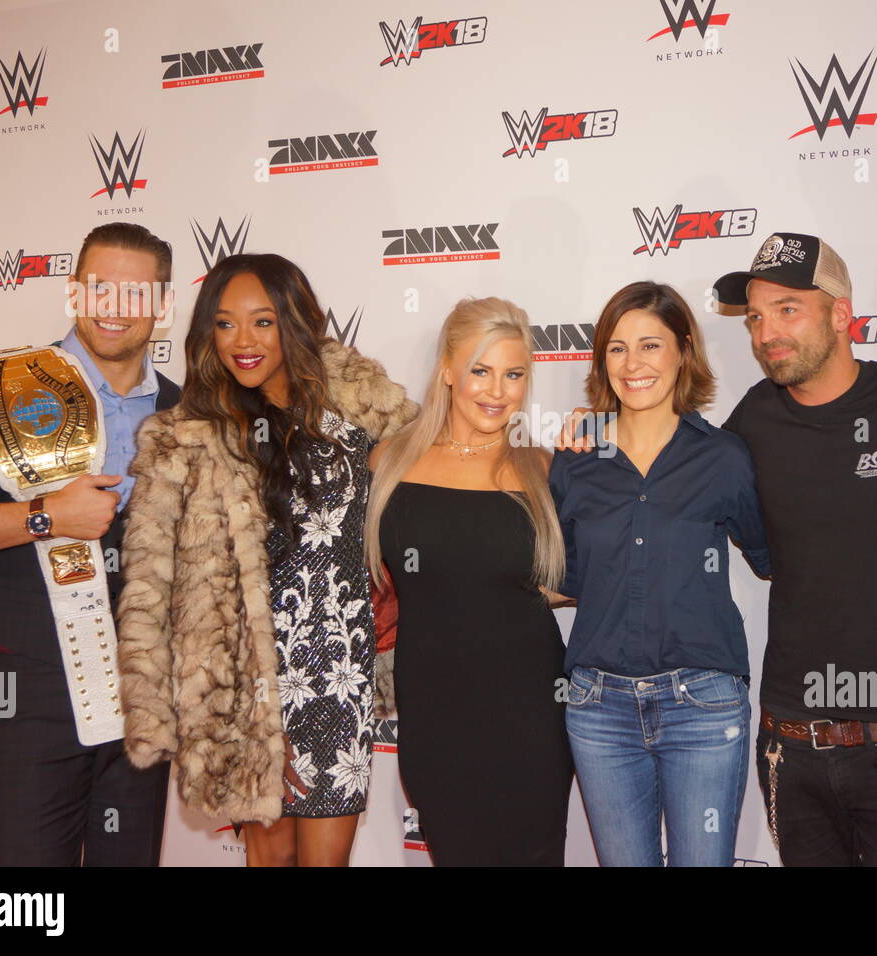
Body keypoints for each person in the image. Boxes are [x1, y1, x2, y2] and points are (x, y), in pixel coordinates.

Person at [117, 253, 415, 866]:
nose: (242, 342)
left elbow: (437, 478)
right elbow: (152, 579)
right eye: (225, 324)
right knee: (269, 861)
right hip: (250, 687)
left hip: (338, 674)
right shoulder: (192, 435)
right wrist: (163, 701)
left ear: (295, 321)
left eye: (262, 322)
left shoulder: (362, 408)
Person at [0, 222, 178, 865]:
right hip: (28, 685)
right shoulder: (2, 387)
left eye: (136, 294)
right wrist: (44, 516)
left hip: (145, 691)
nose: (116, 308)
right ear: (73, 293)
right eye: (100, 288)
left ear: (163, 308)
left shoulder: (186, 410)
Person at [712, 233, 877, 865]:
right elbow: (675, 486)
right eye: (755, 317)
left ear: (841, 314)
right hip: (789, 744)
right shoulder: (752, 419)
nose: (766, 331)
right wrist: (593, 446)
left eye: (787, 309)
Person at [550, 281, 771, 867]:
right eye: (617, 349)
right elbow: (565, 580)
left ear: (684, 350)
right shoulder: (575, 457)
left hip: (702, 705)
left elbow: (772, 558)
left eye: (651, 345)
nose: (633, 364)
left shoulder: (724, 457)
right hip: (599, 709)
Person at [364, 297, 574, 866]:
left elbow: (591, 575)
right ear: (448, 372)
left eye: (513, 374)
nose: (497, 390)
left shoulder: (545, 469)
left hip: (532, 713)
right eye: (480, 370)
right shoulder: (389, 462)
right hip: (435, 716)